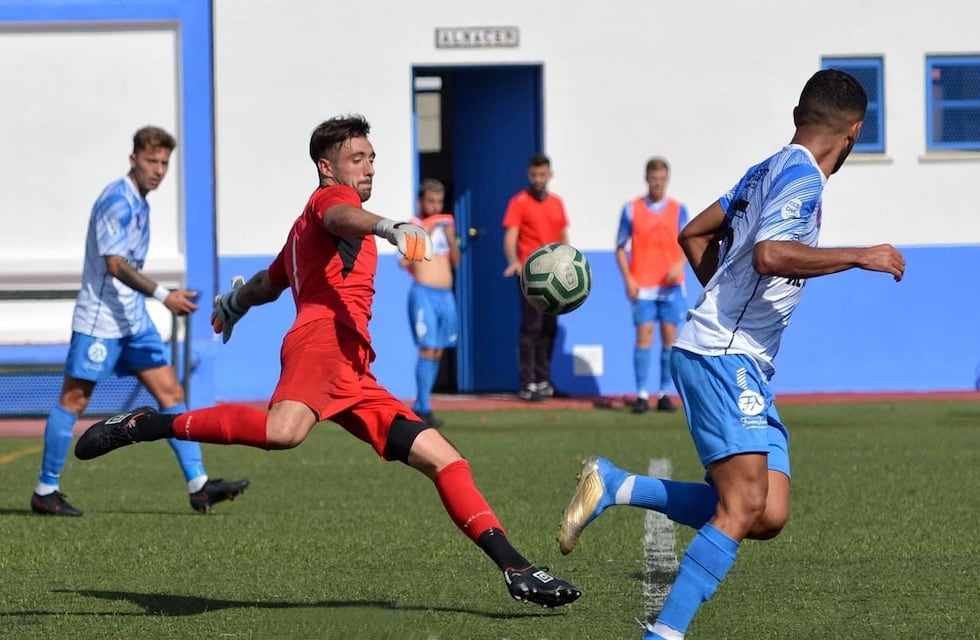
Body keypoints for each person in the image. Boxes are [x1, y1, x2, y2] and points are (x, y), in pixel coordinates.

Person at [74, 115, 581, 608]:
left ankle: (516, 568)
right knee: (283, 432)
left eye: (372, 158)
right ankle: (149, 423)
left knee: (445, 459)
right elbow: (343, 217)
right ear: (326, 167)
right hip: (322, 345)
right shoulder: (331, 203)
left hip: (355, 368)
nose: (368, 168)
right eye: (356, 158)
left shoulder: (302, 230)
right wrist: (387, 225)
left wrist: (233, 305)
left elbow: (269, 283)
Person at [557, 69, 905, 639]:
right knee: (742, 501)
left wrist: (722, 296)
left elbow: (693, 235)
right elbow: (769, 253)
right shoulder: (803, 178)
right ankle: (664, 634)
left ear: (798, 116)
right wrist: (859, 254)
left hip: (739, 356)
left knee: (767, 513)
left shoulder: (767, 167)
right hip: (724, 355)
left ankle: (615, 486)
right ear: (854, 133)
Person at [30, 126, 249, 517]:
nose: (159, 170)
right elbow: (114, 264)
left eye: (165, 163)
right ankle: (46, 489)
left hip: (133, 321)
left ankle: (199, 485)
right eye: (152, 161)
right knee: (74, 400)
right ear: (133, 160)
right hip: (100, 321)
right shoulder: (117, 201)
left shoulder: (141, 203)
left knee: (171, 393)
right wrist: (165, 296)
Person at [615, 157, 689, 414]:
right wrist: (628, 279)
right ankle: (642, 394)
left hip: (670, 286)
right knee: (644, 337)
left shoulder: (679, 210)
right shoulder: (632, 209)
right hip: (643, 284)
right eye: (653, 178)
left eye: (661, 179)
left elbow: (691, 243)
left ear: (667, 180)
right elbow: (620, 247)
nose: (657, 183)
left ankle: (665, 393)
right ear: (646, 178)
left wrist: (680, 264)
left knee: (670, 338)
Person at [502, 153, 569, 401]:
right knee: (532, 327)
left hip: (556, 278)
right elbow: (511, 236)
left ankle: (543, 381)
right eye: (534, 175)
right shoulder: (519, 202)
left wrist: (569, 265)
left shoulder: (557, 203)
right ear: (529, 175)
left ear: (549, 175)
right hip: (532, 276)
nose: (538, 179)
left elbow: (563, 237)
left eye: (542, 174)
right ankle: (527, 382)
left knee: (550, 328)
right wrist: (514, 261)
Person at [400, 179, 460, 428]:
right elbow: (405, 263)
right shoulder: (413, 226)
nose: (436, 207)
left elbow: (455, 262)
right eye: (431, 201)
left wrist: (451, 238)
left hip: (445, 295)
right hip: (423, 293)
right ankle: (422, 407)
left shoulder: (445, 227)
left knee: (438, 350)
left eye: (439, 202)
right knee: (427, 348)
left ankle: (424, 406)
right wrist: (429, 227)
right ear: (420, 202)